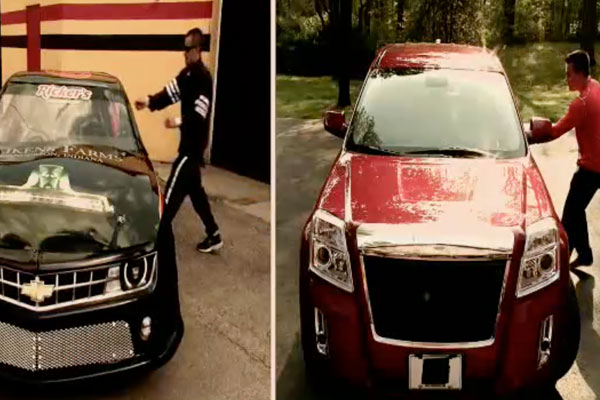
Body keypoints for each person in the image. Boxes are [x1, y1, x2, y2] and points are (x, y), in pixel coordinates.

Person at [135, 27, 223, 254]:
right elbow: (169, 93)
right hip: (188, 149)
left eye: (187, 49)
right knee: (195, 193)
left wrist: (177, 121)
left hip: (192, 149)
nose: (183, 54)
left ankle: (155, 238)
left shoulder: (203, 78)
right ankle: (213, 234)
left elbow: (199, 115)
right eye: (182, 49)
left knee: (172, 193)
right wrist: (148, 101)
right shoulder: (187, 75)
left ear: (197, 49)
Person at [534, 50, 600, 268]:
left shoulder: (580, 104)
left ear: (580, 73)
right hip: (594, 166)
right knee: (575, 209)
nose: (566, 79)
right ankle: (584, 254)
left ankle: (560, 262)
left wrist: (529, 135)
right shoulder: (597, 87)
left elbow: (554, 131)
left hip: (592, 168)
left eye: (569, 74)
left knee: (570, 214)